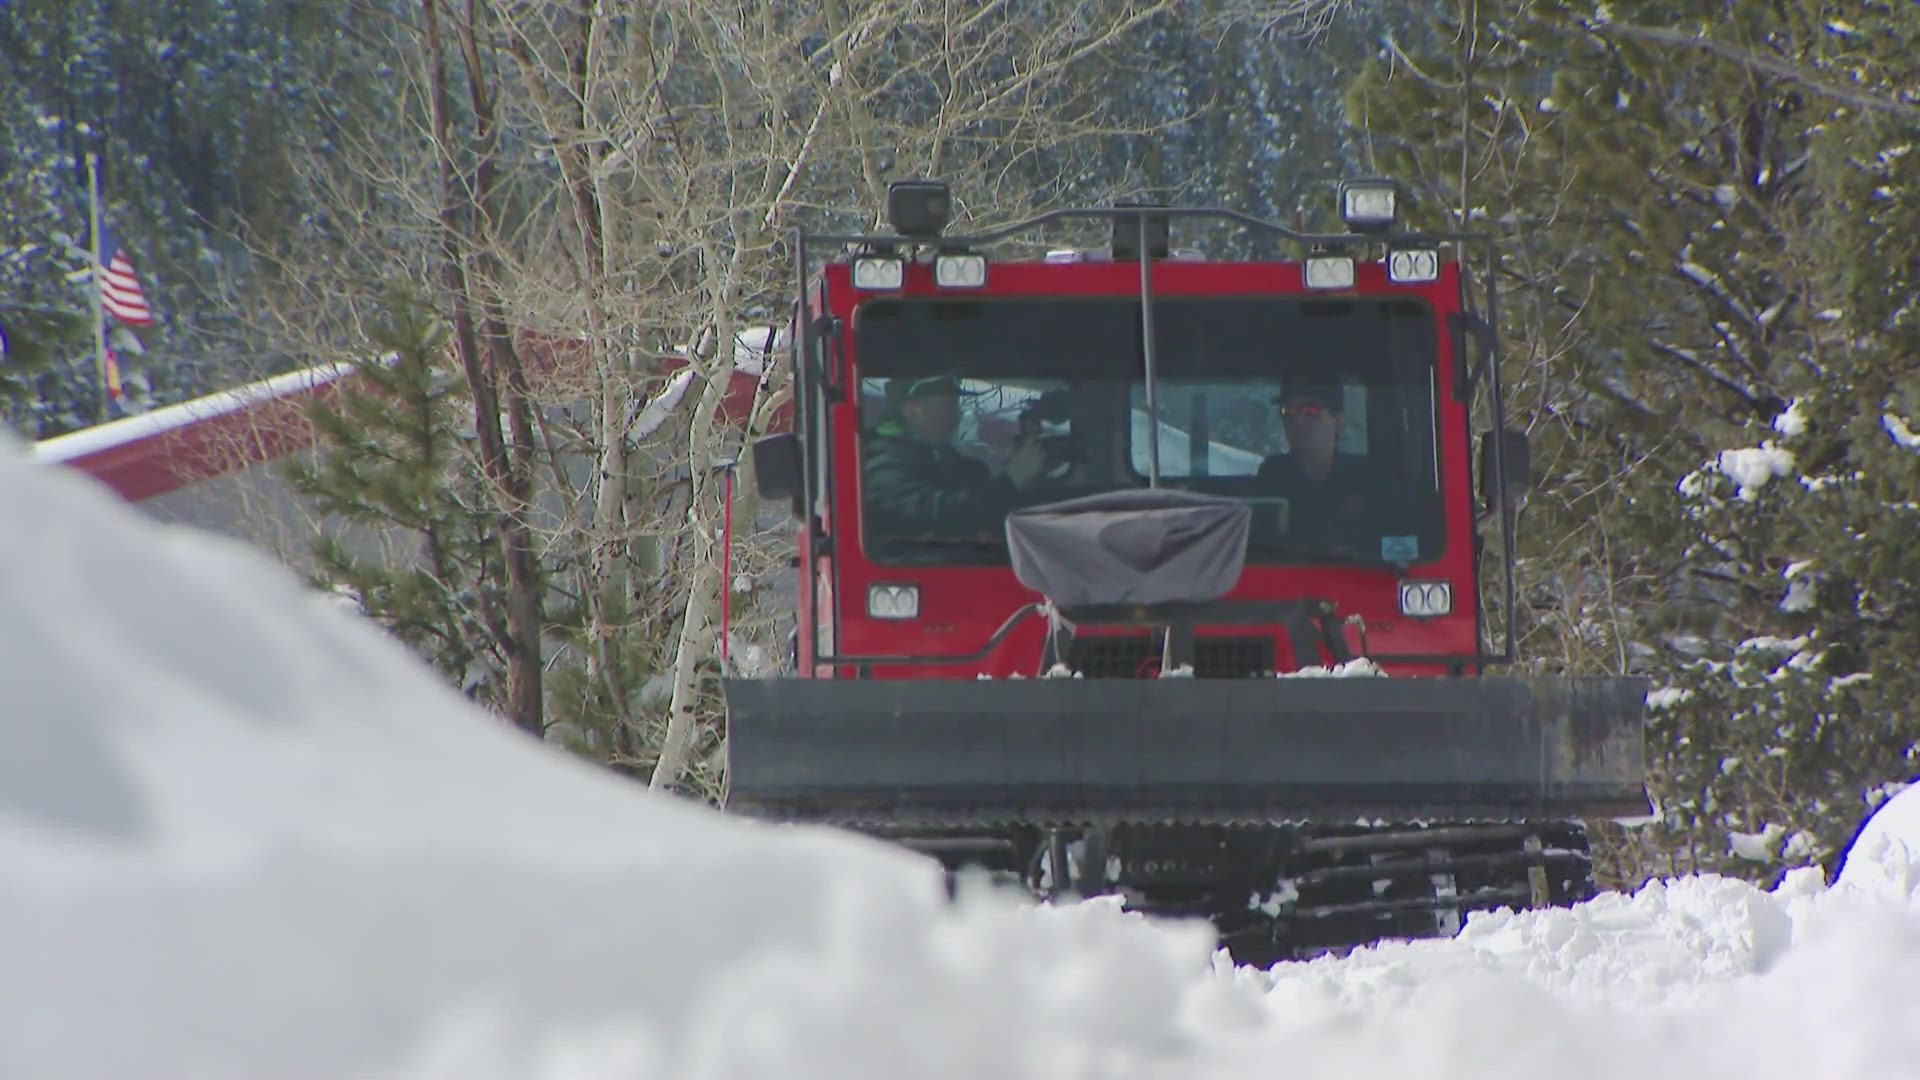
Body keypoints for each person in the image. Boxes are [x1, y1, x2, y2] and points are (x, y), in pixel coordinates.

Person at [862, 375, 1046, 538]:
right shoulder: (882, 464)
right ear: (914, 411)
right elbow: (929, 515)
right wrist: (1010, 480)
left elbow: (992, 511)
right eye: (950, 406)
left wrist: (1024, 478)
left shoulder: (960, 466)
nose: (958, 415)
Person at [1255, 380, 1374, 544]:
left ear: (1337, 420)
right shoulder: (1272, 473)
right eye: (1288, 411)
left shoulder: (1364, 474)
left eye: (1311, 411)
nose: (1297, 420)